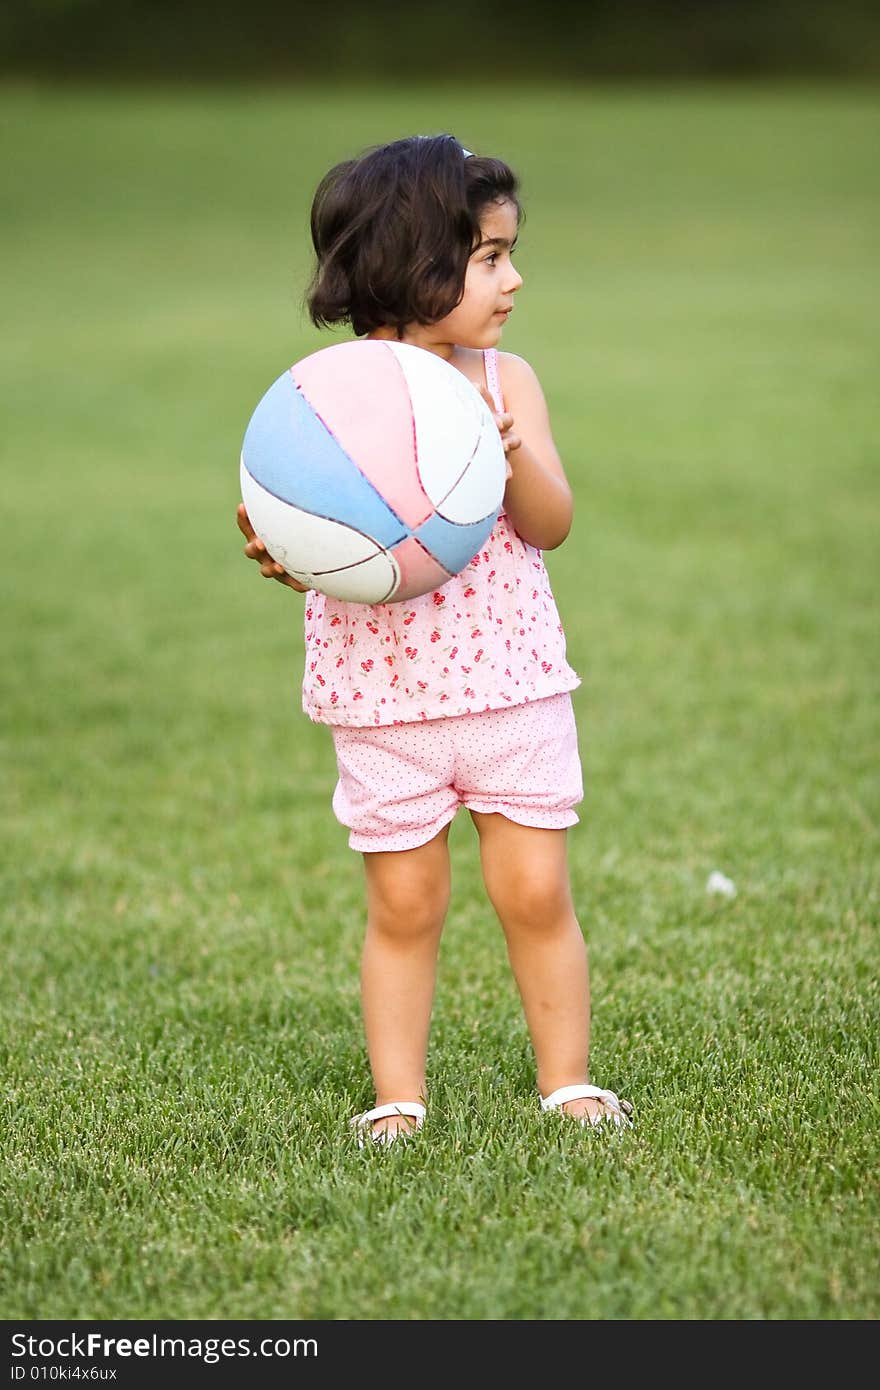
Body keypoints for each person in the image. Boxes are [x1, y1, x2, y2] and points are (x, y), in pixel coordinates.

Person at [236, 134, 632, 1144]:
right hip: (384, 698)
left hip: (509, 686)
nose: (513, 278)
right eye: (490, 256)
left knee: (534, 890)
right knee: (405, 903)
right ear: (415, 261)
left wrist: (509, 460)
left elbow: (549, 522)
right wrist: (289, 548)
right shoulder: (332, 395)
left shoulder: (505, 382)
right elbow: (308, 527)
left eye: (509, 253)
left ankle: (566, 1081)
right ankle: (397, 1095)